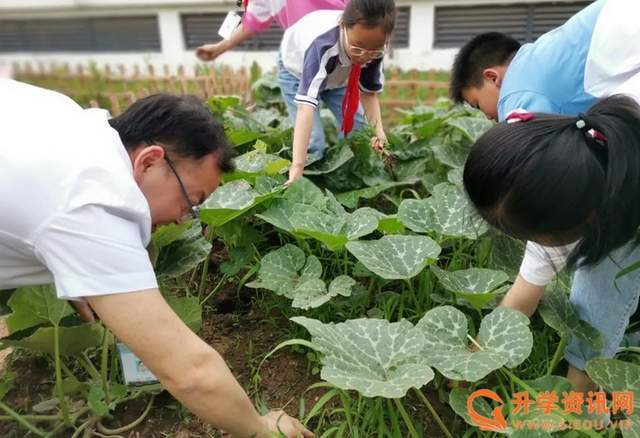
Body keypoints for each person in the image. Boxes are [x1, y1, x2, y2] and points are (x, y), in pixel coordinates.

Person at [0, 79, 312, 438]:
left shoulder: (74, 123)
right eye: (189, 201)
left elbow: (36, 206)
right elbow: (190, 372)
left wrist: (75, 270)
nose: (183, 218)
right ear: (149, 161)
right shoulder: (97, 202)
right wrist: (260, 428)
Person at [451, 0, 640, 393]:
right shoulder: (585, 128)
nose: (486, 116)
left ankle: (585, 396)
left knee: (609, 258)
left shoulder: (522, 101)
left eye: (475, 103)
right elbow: (541, 258)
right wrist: (481, 353)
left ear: (492, 77)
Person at [281, 0, 396, 184]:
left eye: (373, 51)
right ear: (342, 25)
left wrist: (379, 132)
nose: (364, 56)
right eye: (358, 47)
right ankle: (301, 184)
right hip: (297, 70)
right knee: (314, 143)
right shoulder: (322, 45)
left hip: (340, 74)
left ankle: (347, 180)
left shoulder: (374, 48)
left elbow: (368, 93)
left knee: (358, 131)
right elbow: (306, 108)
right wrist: (297, 165)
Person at [195, 0, 347, 63]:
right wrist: (218, 49)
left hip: (310, 56)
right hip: (338, 52)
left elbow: (250, 23)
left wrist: (218, 49)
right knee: (355, 120)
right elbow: (251, 22)